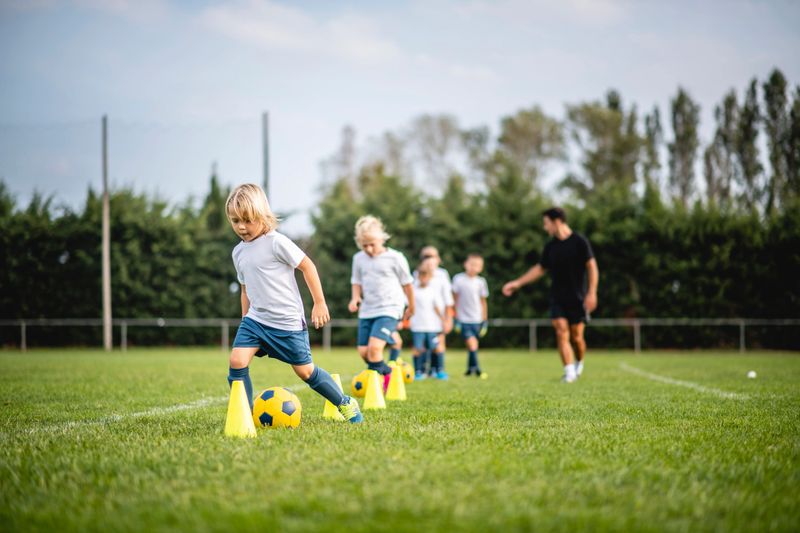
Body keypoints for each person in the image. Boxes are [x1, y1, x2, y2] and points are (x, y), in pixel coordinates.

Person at [225, 184, 363, 423]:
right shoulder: (238, 252)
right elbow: (245, 289)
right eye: (235, 221)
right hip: (255, 321)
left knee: (305, 372)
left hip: (286, 322)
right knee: (237, 361)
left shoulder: (276, 242)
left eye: (247, 220)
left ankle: (345, 402)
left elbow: (307, 265)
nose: (241, 227)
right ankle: (245, 416)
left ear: (262, 215)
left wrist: (319, 303)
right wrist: (245, 318)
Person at [502, 207, 598, 383]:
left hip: (578, 297)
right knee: (561, 331)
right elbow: (539, 269)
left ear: (557, 221)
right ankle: (569, 372)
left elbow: (592, 267)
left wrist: (592, 293)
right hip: (557, 297)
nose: (545, 228)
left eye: (546, 223)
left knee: (577, 337)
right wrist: (517, 283)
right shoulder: (550, 247)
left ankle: (579, 361)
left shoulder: (579, 242)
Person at [348, 215, 415, 392]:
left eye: (372, 244)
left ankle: (378, 389)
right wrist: (355, 298)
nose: (368, 249)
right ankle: (389, 374)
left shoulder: (396, 258)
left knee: (375, 349)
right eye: (364, 245)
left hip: (390, 308)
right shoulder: (358, 259)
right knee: (364, 352)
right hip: (367, 310)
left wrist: (411, 307)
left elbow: (407, 284)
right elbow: (356, 281)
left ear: (382, 238)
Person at [416, 246, 455, 376]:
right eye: (426, 256)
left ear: (438, 259)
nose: (429, 259)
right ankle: (422, 370)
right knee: (421, 346)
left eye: (432, 256)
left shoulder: (442, 274)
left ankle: (438, 370)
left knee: (438, 345)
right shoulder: (417, 274)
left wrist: (448, 319)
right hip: (421, 319)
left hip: (438, 318)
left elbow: (448, 300)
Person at [452, 253, 489, 378]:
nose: (474, 267)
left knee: (472, 346)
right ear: (465, 264)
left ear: (481, 268)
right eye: (472, 264)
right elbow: (454, 299)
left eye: (477, 265)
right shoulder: (458, 279)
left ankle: (469, 370)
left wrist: (484, 320)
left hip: (477, 319)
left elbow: (483, 302)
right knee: (472, 344)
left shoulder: (481, 282)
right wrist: (455, 316)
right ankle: (477, 369)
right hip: (463, 319)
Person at [410, 262, 447, 380]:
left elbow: (436, 307)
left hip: (432, 326)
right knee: (418, 349)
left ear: (430, 277)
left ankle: (439, 370)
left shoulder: (432, 291)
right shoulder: (413, 291)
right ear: (418, 276)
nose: (424, 278)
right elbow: (409, 306)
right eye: (422, 275)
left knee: (437, 347)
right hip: (418, 326)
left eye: (426, 276)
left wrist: (443, 320)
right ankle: (418, 371)